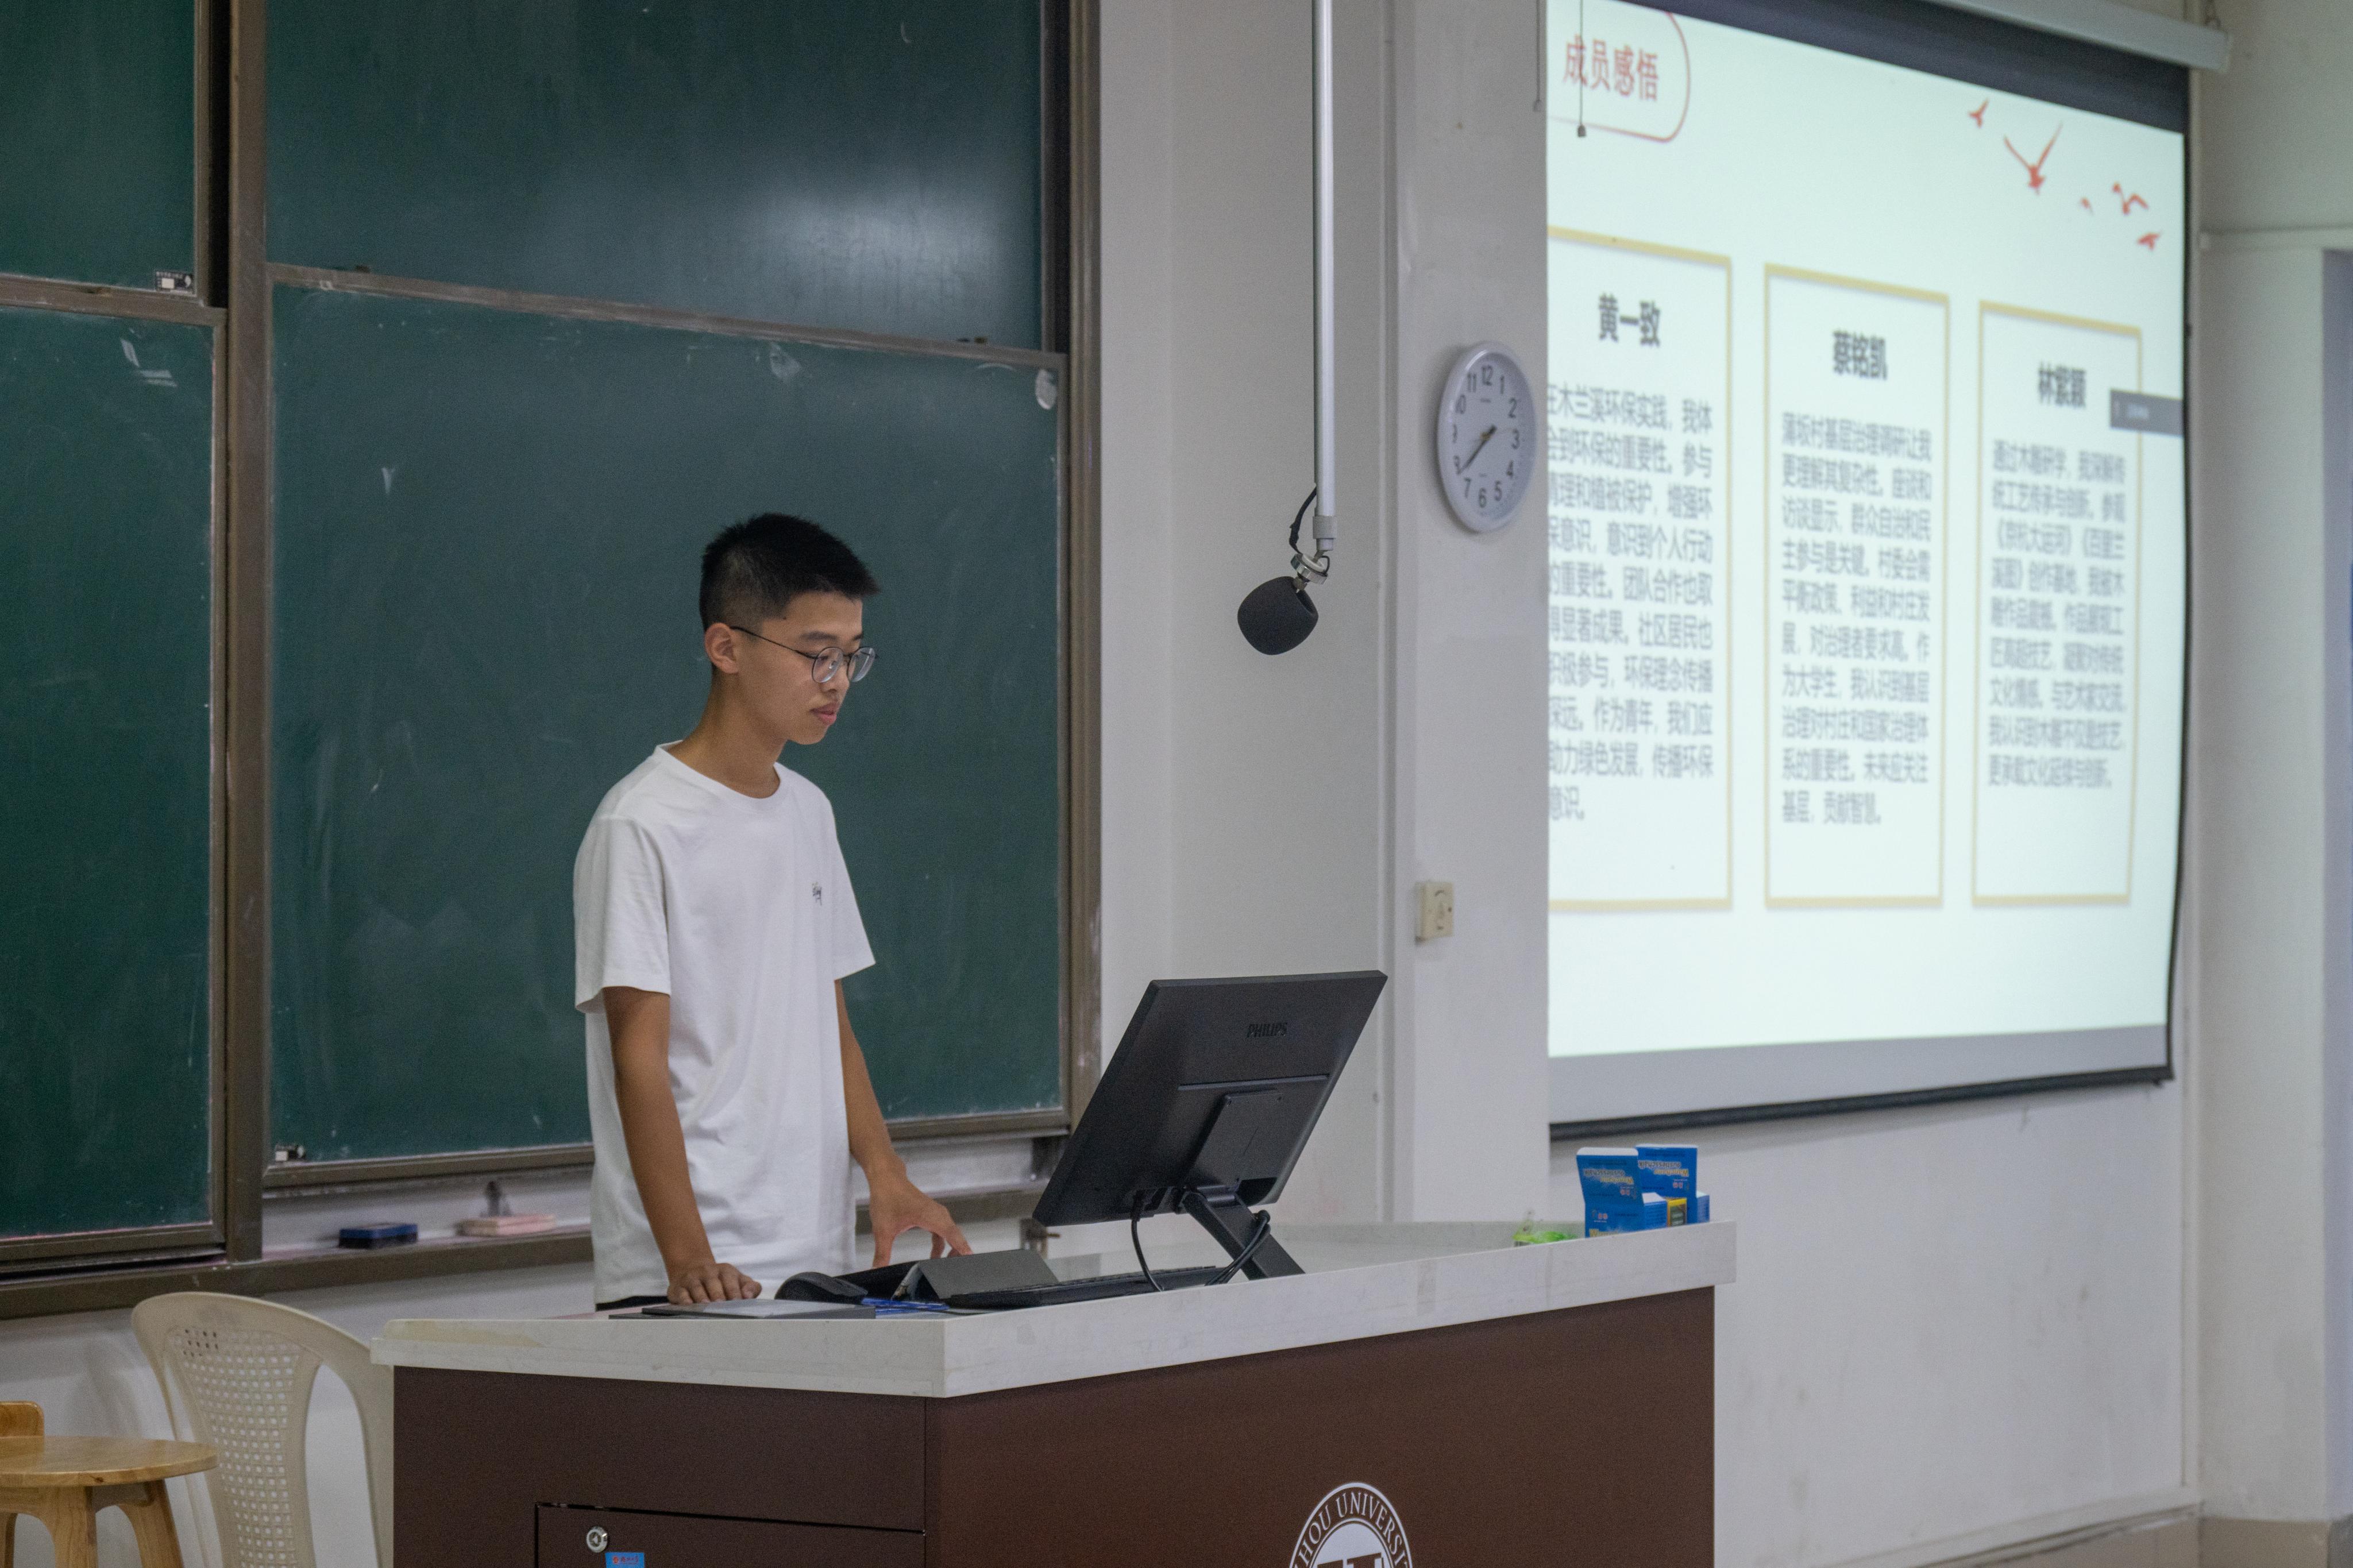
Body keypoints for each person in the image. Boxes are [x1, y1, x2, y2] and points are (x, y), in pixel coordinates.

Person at [573, 512, 970, 1308]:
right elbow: (638, 1059)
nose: (838, 681)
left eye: (852, 656)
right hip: (691, 1272)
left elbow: (832, 1025)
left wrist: (886, 1172)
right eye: (817, 654)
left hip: (813, 1256)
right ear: (726, 647)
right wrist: (689, 1258)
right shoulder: (641, 823)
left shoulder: (809, 811)